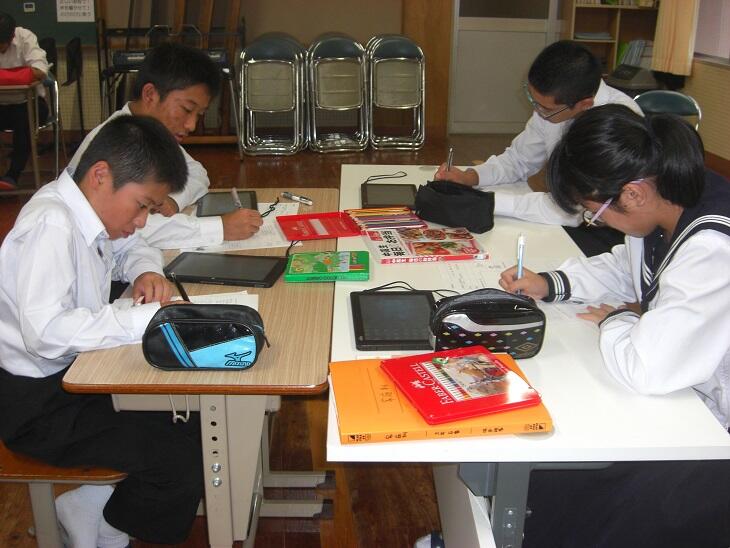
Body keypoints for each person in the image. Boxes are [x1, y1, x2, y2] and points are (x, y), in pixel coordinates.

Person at [499, 104, 730, 548]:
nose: (597, 222)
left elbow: (647, 368)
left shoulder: (713, 246)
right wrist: (551, 283)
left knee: (620, 489)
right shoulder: (667, 200)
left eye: (595, 212)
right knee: (564, 458)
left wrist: (619, 318)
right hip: (691, 391)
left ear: (633, 193)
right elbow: (628, 265)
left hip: (715, 426)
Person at [0, 115, 203, 548]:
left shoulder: (90, 210)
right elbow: (45, 333)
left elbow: (133, 246)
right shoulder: (51, 224)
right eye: (142, 206)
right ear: (100, 176)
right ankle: (112, 531)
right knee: (177, 455)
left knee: (193, 412)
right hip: (38, 405)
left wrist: (146, 271)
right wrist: (141, 320)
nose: (143, 221)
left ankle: (89, 503)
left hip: (80, 375)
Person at [69, 42, 262, 249]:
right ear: (150, 95)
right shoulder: (119, 142)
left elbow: (197, 172)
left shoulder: (151, 134)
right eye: (186, 109)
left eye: (199, 114)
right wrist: (220, 228)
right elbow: (133, 229)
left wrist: (171, 199)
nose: (191, 125)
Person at [434, 40, 641, 228]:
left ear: (584, 105)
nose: (538, 111)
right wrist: (470, 177)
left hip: (602, 230)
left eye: (546, 109)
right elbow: (519, 160)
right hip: (560, 217)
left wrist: (488, 201)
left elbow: (573, 209)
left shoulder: (618, 124)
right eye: (533, 100)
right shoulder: (552, 107)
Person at [0, 12, 49, 190]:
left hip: (28, 104)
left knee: (24, 118)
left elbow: (40, 71)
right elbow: (30, 73)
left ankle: (13, 174)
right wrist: (20, 75)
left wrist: (5, 77)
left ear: (11, 36)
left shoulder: (25, 37)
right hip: (2, 106)